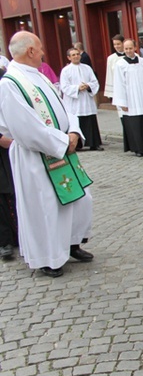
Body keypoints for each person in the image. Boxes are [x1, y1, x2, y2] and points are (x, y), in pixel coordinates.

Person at [0, 31, 94, 278]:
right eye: (40, 48)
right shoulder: (11, 83)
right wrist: (63, 142)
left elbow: (64, 106)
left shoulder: (38, 76)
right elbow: (25, 127)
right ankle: (48, 258)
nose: (43, 52)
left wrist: (73, 131)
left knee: (80, 200)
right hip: (37, 157)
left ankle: (71, 243)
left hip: (63, 149)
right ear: (30, 51)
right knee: (47, 207)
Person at [113, 39, 143, 157]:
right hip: (131, 99)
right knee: (136, 125)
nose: (128, 51)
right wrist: (122, 102)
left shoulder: (142, 62)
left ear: (135, 48)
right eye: (126, 49)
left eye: (130, 48)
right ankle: (138, 148)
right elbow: (119, 84)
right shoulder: (120, 64)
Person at [59, 47, 103, 152]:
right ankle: (78, 145)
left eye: (77, 54)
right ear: (69, 57)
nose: (76, 56)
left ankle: (94, 143)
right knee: (76, 122)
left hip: (87, 100)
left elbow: (94, 82)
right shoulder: (65, 70)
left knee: (90, 121)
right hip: (75, 102)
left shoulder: (87, 68)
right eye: (73, 55)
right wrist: (77, 88)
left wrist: (88, 86)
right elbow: (64, 87)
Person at [0, 66, 17, 261]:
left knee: (13, 189)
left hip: (10, 144)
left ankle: (19, 234)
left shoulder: (5, 76)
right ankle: (4, 240)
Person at [104, 34, 130, 152]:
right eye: (115, 45)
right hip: (119, 91)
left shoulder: (133, 57)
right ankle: (128, 143)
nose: (117, 47)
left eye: (118, 44)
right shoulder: (111, 58)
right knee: (124, 118)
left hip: (132, 91)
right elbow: (109, 75)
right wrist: (111, 94)